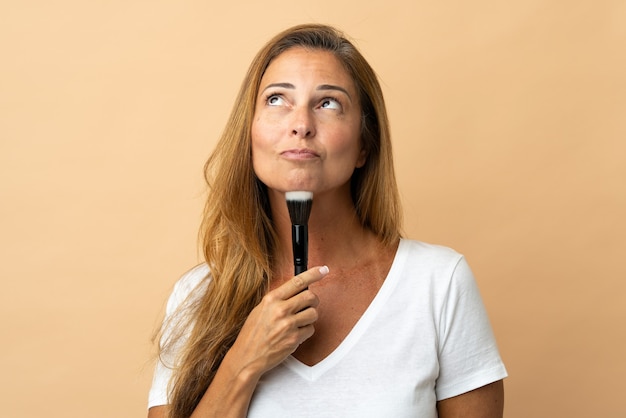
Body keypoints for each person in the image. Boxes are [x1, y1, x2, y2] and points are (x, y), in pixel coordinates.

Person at [147, 23, 507, 418]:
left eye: (328, 103)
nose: (301, 124)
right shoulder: (197, 296)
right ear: (249, 136)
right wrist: (243, 363)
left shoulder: (438, 282)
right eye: (277, 99)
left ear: (364, 146)